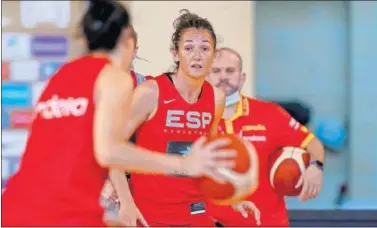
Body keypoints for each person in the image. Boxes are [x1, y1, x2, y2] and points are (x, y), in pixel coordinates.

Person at [1, 2, 235, 226]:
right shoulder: (115, 77)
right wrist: (183, 164)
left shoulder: (62, 75)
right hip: (64, 213)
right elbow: (110, 151)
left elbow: (66, 149)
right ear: (126, 40)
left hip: (16, 206)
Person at [109, 9, 244, 227]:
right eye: (189, 48)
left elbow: (209, 157)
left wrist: (231, 197)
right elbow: (112, 149)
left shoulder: (216, 98)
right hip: (149, 214)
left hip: (196, 211)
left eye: (205, 49)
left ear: (214, 55)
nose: (197, 56)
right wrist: (126, 202)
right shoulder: (150, 92)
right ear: (175, 53)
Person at [206, 47, 325, 226]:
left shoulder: (270, 114)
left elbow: (313, 144)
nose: (223, 77)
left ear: (242, 77)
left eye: (230, 71)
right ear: (205, 77)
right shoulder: (191, 118)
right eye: (216, 71)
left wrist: (316, 167)